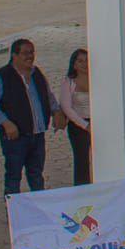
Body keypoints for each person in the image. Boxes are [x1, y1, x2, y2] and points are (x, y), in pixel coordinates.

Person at [0, 38, 56, 196]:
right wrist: (5, 123)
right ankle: (14, 214)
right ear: (14, 55)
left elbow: (48, 96)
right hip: (16, 139)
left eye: (32, 52)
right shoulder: (1, 77)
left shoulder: (37, 74)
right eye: (25, 53)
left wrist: (56, 111)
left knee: (36, 175)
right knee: (14, 177)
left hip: (37, 135)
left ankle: (38, 209)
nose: (30, 56)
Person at [54, 48, 92, 186]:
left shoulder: (97, 79)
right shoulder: (68, 82)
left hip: (98, 123)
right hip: (78, 126)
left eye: (86, 60)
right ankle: (82, 189)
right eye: (80, 61)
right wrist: (85, 125)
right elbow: (66, 107)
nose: (84, 64)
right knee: (81, 161)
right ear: (73, 64)